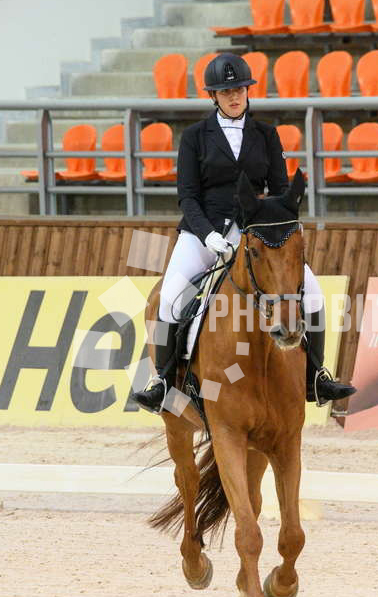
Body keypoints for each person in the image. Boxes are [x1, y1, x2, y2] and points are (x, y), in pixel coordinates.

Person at [134, 52, 356, 413]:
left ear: (248, 91)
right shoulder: (194, 137)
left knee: (313, 293)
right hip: (203, 234)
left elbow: (280, 190)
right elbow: (187, 196)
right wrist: (208, 235)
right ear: (213, 96)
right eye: (226, 92)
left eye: (239, 89)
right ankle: (162, 381)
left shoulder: (265, 134)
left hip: (255, 236)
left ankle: (315, 377)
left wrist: (278, 228)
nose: (234, 97)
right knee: (171, 297)